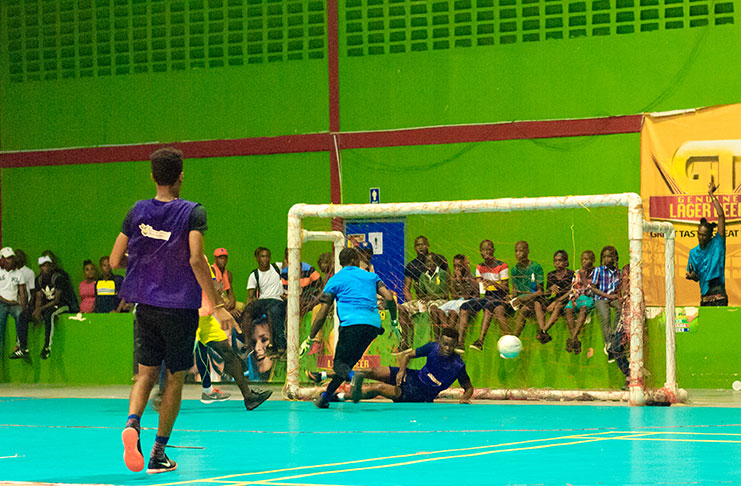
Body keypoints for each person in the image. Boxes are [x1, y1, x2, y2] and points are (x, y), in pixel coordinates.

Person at [112, 148, 246, 475]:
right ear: (181, 175)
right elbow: (197, 259)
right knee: (174, 379)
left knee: (145, 374)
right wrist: (217, 305)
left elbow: (115, 261)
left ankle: (132, 423)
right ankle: (158, 452)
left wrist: (148, 266)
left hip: (146, 308)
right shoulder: (192, 212)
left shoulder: (137, 211)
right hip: (180, 309)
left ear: (152, 176)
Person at [301, 247, 397, 409]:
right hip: (373, 327)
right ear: (355, 261)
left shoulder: (335, 280)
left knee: (339, 365)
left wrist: (310, 338)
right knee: (346, 365)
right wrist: (394, 321)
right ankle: (325, 397)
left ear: (341, 263)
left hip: (351, 325)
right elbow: (388, 297)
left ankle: (353, 377)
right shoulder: (371, 276)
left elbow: (323, 313)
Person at [194, 255, 272, 405]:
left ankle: (248, 397)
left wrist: (218, 295)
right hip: (190, 315)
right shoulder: (182, 256)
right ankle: (162, 394)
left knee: (227, 352)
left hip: (206, 316)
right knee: (177, 356)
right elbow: (214, 285)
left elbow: (214, 284)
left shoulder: (201, 257)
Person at [350, 327, 474, 404]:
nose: (447, 348)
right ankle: (342, 374)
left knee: (379, 388)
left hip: (419, 394)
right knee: (371, 371)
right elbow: (406, 356)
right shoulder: (432, 347)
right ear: (440, 341)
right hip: (412, 376)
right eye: (445, 344)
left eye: (451, 345)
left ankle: (342, 396)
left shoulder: (458, 366)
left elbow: (469, 388)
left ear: (456, 344)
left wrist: (464, 398)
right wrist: (401, 371)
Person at [460, 240, 510, 354]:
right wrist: (468, 272)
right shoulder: (480, 267)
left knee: (489, 306)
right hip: (486, 296)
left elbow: (505, 288)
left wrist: (493, 283)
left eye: (488, 249)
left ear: (493, 250)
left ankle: (480, 340)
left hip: (499, 296)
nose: (486, 252)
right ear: (480, 251)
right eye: (483, 249)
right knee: (464, 306)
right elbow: (478, 286)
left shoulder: (502, 266)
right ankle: (460, 342)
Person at [401, 235, 448, 349]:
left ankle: (437, 341)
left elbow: (449, 281)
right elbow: (406, 289)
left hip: (438, 299)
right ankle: (405, 341)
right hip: (422, 300)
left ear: (428, 245)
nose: (421, 247)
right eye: (418, 245)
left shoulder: (439, 260)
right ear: (414, 248)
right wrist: (413, 303)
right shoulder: (412, 266)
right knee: (402, 308)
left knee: (433, 309)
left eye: (423, 244)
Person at [686, 177, 727, 306]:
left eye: (704, 235)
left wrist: (711, 195)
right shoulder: (693, 253)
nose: (701, 237)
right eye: (699, 234)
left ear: (710, 235)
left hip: (719, 295)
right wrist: (692, 276)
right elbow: (696, 277)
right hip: (704, 297)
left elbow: (721, 216)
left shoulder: (717, 243)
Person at [31, 254, 78, 359]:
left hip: (63, 305)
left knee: (49, 315)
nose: (46, 268)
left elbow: (57, 300)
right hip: (48, 306)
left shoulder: (58, 278)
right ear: (40, 267)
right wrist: (37, 310)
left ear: (52, 266)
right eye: (43, 266)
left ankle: (47, 346)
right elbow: (39, 297)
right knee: (26, 315)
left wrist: (41, 309)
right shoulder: (38, 280)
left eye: (48, 265)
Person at [242, 247, 286, 355]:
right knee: (247, 311)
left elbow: (288, 261)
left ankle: (276, 344)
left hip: (277, 299)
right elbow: (250, 296)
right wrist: (248, 308)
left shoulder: (277, 267)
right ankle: (247, 344)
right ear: (257, 258)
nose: (265, 259)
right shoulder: (254, 275)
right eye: (262, 256)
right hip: (262, 301)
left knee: (272, 311)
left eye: (267, 256)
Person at [591, 245, 621, 360]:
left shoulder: (618, 272)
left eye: (610, 257)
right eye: (605, 257)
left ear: (615, 258)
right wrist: (607, 295)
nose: (607, 259)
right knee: (605, 316)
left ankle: (614, 337)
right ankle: (608, 343)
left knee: (620, 309)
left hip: (612, 297)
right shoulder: (598, 270)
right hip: (601, 297)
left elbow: (618, 287)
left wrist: (616, 296)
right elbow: (593, 287)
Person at [564, 250, 596, 355]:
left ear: (593, 260)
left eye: (586, 259)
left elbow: (592, 290)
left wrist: (583, 277)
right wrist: (573, 298)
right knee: (568, 309)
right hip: (577, 298)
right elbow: (574, 287)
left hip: (588, 298)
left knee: (583, 308)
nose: (583, 262)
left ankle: (572, 338)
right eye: (582, 259)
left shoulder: (596, 273)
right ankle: (575, 340)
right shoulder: (577, 272)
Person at [434, 254, 478, 330]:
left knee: (453, 312)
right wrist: (454, 281)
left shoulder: (470, 277)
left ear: (465, 266)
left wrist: (460, 281)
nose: (457, 269)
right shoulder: (453, 278)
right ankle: (445, 330)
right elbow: (454, 296)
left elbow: (466, 296)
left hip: (468, 301)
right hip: (457, 301)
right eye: (455, 266)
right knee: (440, 311)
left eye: (460, 266)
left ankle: (451, 334)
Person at [280, 247, 322, 317]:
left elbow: (320, 285)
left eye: (294, 254)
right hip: (293, 300)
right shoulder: (284, 273)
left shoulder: (308, 269)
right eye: (289, 255)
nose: (292, 257)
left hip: (310, 298)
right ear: (286, 257)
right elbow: (285, 291)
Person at [0, 248, 26, 357]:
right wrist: (8, 302)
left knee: (20, 314)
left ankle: (20, 347)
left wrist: (23, 306)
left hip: (14, 305)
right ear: (2, 260)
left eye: (11, 258)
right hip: (1, 303)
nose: (10, 261)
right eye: (7, 258)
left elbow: (22, 292)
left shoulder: (19, 274)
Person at [9, 249, 35, 359]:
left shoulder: (29, 273)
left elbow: (33, 292)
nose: (17, 259)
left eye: (19, 256)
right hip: (12, 303)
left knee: (20, 315)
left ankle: (20, 346)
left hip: (25, 304)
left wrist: (29, 305)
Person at [542, 250, 574, 339]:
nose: (557, 263)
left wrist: (555, 302)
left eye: (560, 260)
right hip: (557, 299)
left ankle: (544, 331)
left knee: (558, 305)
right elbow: (547, 294)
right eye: (555, 261)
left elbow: (571, 291)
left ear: (565, 262)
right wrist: (550, 288)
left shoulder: (571, 274)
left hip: (568, 299)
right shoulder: (551, 275)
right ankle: (542, 329)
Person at [212, 248, 242, 318]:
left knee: (241, 307)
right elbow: (213, 295)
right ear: (215, 259)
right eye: (220, 258)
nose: (223, 260)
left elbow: (230, 292)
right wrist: (227, 310)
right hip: (213, 301)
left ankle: (239, 328)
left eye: (224, 258)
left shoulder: (228, 273)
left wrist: (232, 300)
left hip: (223, 299)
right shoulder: (212, 271)